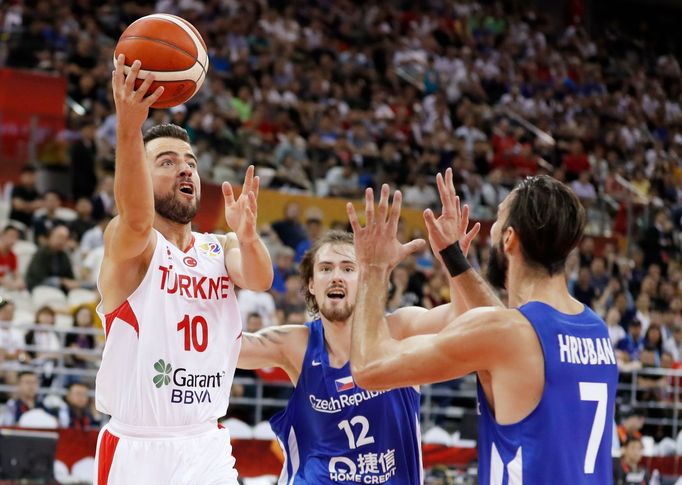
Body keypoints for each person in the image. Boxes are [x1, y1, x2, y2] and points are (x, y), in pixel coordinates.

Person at [348, 173, 619, 484]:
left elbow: (369, 368)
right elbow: (508, 331)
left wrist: (373, 267)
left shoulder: (507, 334)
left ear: (509, 239)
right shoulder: (595, 329)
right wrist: (453, 256)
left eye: (498, 220)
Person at [93, 56, 273, 485]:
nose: (185, 168)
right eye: (167, 162)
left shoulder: (220, 246)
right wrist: (129, 128)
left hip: (204, 441)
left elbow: (259, 279)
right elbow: (136, 219)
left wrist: (248, 236)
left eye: (189, 161)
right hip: (137, 447)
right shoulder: (131, 246)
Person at [236, 190, 480, 483]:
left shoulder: (399, 329)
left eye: (348, 268)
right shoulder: (295, 344)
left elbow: (468, 319)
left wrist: (454, 258)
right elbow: (223, 349)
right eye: (325, 269)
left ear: (364, 279)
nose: (336, 276)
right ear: (312, 285)